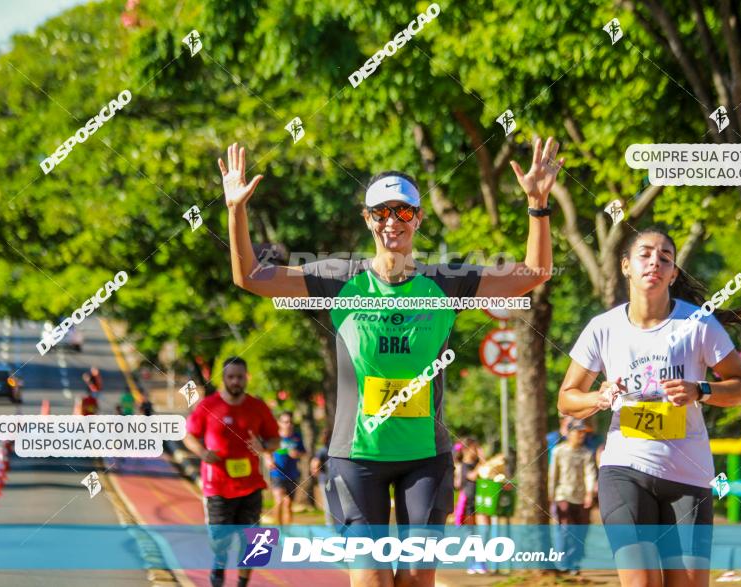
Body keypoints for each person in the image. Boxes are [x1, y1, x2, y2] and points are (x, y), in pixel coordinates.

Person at [220, 137, 562, 587]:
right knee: (372, 581)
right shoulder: (339, 279)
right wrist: (235, 210)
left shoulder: (447, 282)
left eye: (403, 212)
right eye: (380, 212)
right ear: (367, 219)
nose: (391, 222)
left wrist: (537, 206)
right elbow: (249, 276)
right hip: (356, 458)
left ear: (418, 219)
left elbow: (532, 274)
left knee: (419, 579)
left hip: (426, 458)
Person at [558, 228, 741, 587]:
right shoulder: (602, 329)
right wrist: (599, 398)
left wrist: (701, 390)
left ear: (674, 273)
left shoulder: (698, 324)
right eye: (645, 254)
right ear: (626, 267)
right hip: (624, 470)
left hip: (689, 475)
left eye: (665, 257)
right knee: (642, 582)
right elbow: (567, 398)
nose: (655, 262)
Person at [184, 357, 280, 587]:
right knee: (220, 541)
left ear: (246, 378)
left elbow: (275, 438)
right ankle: (218, 567)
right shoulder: (208, 406)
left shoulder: (258, 407)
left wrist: (264, 447)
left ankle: (241, 584)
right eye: (231, 377)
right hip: (217, 486)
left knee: (253, 542)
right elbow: (189, 436)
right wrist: (202, 453)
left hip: (250, 485)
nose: (236, 381)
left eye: (240, 377)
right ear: (223, 379)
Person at [549, 418, 597, 575]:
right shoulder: (558, 451)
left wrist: (590, 494)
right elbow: (553, 475)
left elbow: (590, 474)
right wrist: (551, 495)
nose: (581, 435)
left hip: (582, 498)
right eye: (578, 431)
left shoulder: (586, 453)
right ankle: (564, 562)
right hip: (563, 496)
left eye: (583, 432)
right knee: (565, 530)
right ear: (569, 433)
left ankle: (575, 562)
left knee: (581, 531)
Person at [453, 437, 488, 575]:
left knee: (484, 531)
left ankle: (481, 562)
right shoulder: (462, 465)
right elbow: (471, 477)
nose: (477, 450)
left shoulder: (479, 464)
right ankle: (473, 563)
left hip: (480, 502)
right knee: (471, 534)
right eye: (475, 448)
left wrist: (482, 458)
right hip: (467, 503)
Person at [264, 411, 305, 526]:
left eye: (291, 422)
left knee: (288, 503)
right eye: (285, 422)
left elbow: (303, 452)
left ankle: (286, 531)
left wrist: (297, 454)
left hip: (292, 474)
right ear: (279, 423)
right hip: (277, 473)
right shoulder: (275, 436)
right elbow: (266, 450)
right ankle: (278, 528)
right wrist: (268, 459)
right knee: (279, 501)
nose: (289, 424)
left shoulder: (297, 437)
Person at [310, 429, 333, 526]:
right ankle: (329, 524)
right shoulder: (323, 450)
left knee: (330, 503)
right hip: (326, 480)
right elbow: (315, 463)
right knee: (329, 504)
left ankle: (331, 524)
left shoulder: (324, 449)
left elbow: (314, 464)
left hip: (330, 480)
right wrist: (316, 472)